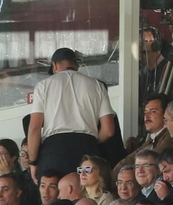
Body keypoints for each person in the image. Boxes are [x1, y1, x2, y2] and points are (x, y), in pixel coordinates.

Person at [25, 48, 118, 177]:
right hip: (87, 150)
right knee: (87, 194)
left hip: (54, 151)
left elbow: (34, 129)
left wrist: (33, 162)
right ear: (77, 65)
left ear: (55, 65)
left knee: (55, 194)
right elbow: (109, 130)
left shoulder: (43, 86)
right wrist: (90, 142)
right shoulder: (97, 85)